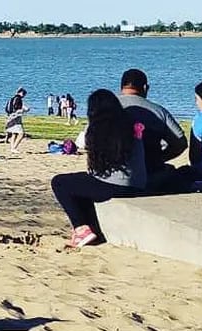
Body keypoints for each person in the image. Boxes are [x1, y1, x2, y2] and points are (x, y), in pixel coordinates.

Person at [51, 90, 147, 248]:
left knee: (60, 183)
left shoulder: (95, 129)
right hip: (138, 184)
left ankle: (81, 228)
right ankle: (93, 229)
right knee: (83, 186)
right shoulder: (131, 124)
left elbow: (87, 155)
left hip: (113, 185)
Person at [114, 69, 188, 190]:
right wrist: (160, 158)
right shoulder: (158, 111)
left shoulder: (105, 108)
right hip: (150, 173)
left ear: (121, 86)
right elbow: (180, 143)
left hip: (111, 173)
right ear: (145, 87)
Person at [5, 88, 29, 153]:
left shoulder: (11, 98)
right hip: (16, 118)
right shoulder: (18, 99)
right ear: (21, 93)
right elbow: (17, 108)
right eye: (24, 94)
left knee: (14, 133)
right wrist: (24, 110)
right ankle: (14, 148)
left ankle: (12, 148)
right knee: (21, 133)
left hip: (9, 117)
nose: (24, 96)